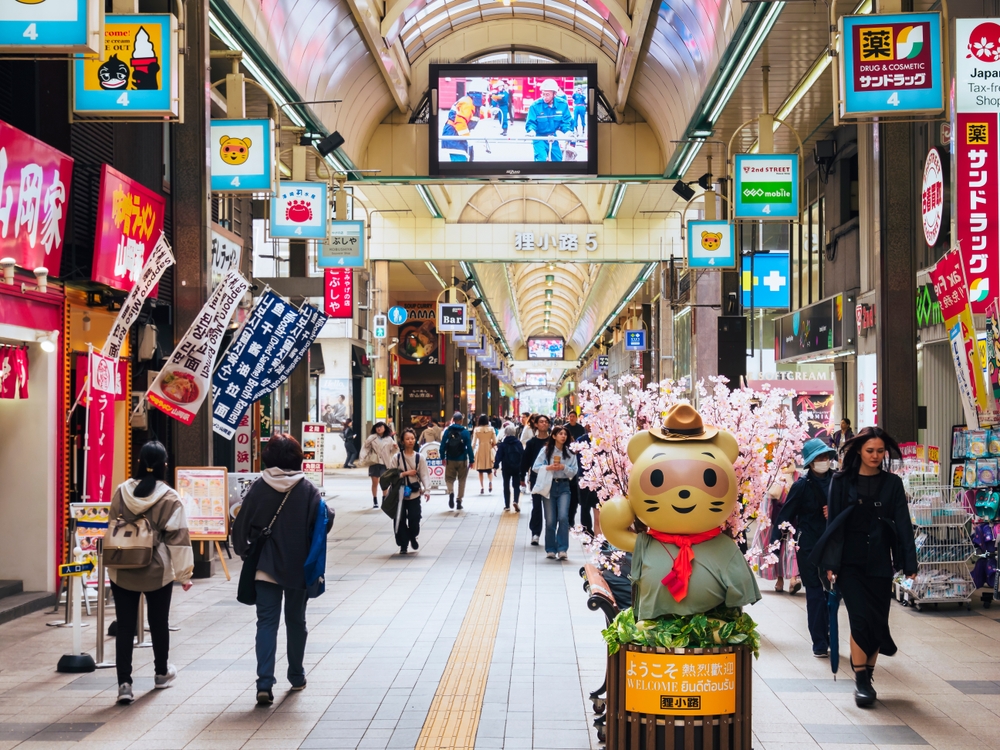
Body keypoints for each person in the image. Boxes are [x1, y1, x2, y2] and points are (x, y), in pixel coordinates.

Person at [814, 427, 917, 708]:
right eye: (870, 450)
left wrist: (910, 563)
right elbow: (833, 524)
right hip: (849, 563)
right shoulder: (841, 480)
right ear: (859, 450)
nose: (875, 456)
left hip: (881, 562)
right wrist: (830, 564)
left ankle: (867, 677)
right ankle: (861, 683)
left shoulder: (893, 484)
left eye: (880, 451)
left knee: (876, 621)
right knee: (859, 619)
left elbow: (904, 525)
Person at [233, 433, 333, 706]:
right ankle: (296, 675)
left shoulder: (258, 487)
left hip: (265, 567)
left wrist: (245, 551)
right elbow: (324, 522)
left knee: (266, 622)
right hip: (298, 567)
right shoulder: (307, 489)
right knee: (296, 621)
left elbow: (240, 528)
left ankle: (264, 683)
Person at [108, 441, 193, 705]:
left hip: (123, 567)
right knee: (158, 624)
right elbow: (178, 538)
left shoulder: (122, 491)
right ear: (163, 465)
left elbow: (112, 525)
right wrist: (184, 574)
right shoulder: (169, 496)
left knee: (124, 627)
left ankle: (124, 684)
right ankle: (160, 673)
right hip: (157, 570)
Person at [771, 439, 836, 658]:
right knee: (815, 592)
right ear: (810, 463)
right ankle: (819, 641)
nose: (823, 461)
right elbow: (784, 517)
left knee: (833, 592)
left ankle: (828, 633)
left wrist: (835, 512)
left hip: (834, 544)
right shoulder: (801, 486)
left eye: (825, 457)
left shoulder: (839, 482)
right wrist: (774, 546)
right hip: (807, 544)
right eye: (818, 458)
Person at [532, 426, 578, 560]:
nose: (563, 436)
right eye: (560, 434)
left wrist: (564, 467)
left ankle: (563, 549)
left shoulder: (570, 453)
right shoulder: (546, 451)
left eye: (565, 434)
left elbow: (574, 471)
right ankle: (551, 548)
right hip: (549, 486)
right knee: (550, 520)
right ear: (554, 436)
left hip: (564, 486)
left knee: (563, 517)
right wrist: (548, 467)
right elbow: (535, 467)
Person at [392, 429, 431, 555]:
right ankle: (403, 545)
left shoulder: (420, 457)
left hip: (414, 493)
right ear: (402, 441)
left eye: (412, 438)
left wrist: (427, 490)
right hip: (399, 494)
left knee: (415, 519)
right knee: (400, 519)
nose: (410, 441)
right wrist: (405, 473)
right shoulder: (396, 457)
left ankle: (413, 536)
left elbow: (425, 475)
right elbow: (391, 476)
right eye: (407, 439)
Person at [520, 414, 551, 546]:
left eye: (546, 422)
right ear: (536, 425)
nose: (544, 424)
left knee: (550, 509)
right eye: (541, 422)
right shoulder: (532, 443)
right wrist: (522, 477)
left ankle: (550, 534)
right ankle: (536, 533)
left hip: (551, 479)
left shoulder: (553, 442)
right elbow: (525, 461)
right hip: (536, 478)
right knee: (537, 506)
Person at [525, 79, 573, 162]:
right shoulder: (535, 106)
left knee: (558, 160)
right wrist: (531, 131)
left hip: (552, 137)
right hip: (539, 137)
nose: (544, 97)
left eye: (547, 95)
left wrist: (568, 131)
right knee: (541, 159)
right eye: (543, 94)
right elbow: (531, 122)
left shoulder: (562, 105)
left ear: (554, 94)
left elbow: (565, 122)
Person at [441, 79, 488, 161]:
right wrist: (467, 138)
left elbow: (476, 114)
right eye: (484, 94)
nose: (485, 97)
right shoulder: (467, 103)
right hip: (454, 135)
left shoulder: (471, 102)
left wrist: (491, 112)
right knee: (460, 163)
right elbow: (460, 121)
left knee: (465, 161)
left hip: (457, 135)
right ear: (478, 94)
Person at [441, 412, 475, 510]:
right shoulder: (465, 432)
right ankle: (459, 500)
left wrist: (443, 457)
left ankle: (451, 492)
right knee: (462, 480)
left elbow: (443, 445)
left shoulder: (448, 431)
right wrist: (471, 460)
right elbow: (469, 447)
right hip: (462, 459)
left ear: (453, 419)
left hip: (450, 459)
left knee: (449, 479)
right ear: (461, 420)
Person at [362, 422, 397, 508]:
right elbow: (365, 448)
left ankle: (384, 499)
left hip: (385, 463)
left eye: (380, 427)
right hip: (374, 462)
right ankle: (375, 500)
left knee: (384, 482)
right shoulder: (371, 438)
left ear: (384, 428)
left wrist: (395, 448)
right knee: (375, 482)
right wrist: (362, 458)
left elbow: (393, 452)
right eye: (377, 427)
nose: (379, 429)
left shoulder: (389, 439)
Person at [494, 424, 525, 512]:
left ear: (505, 433)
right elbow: (522, 455)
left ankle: (507, 505)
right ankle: (515, 501)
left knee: (506, 485)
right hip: (517, 467)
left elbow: (499, 456)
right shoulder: (518, 443)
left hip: (506, 467)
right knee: (516, 486)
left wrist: (496, 467)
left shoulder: (503, 444)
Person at [473, 415, 497, 494]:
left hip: (480, 449)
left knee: (480, 471)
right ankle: (490, 482)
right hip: (488, 449)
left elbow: (473, 443)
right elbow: (495, 441)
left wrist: (471, 452)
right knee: (489, 470)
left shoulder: (476, 429)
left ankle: (482, 487)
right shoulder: (491, 429)